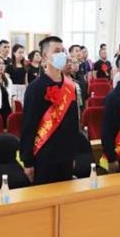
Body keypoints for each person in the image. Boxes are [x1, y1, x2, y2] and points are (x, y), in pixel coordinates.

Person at [20, 36, 79, 185]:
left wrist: (73, 154)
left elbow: (74, 124)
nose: (62, 55)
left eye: (63, 51)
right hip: (43, 155)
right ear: (45, 56)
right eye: (56, 51)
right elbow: (28, 126)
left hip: (65, 155)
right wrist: (27, 161)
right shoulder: (35, 88)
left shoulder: (70, 86)